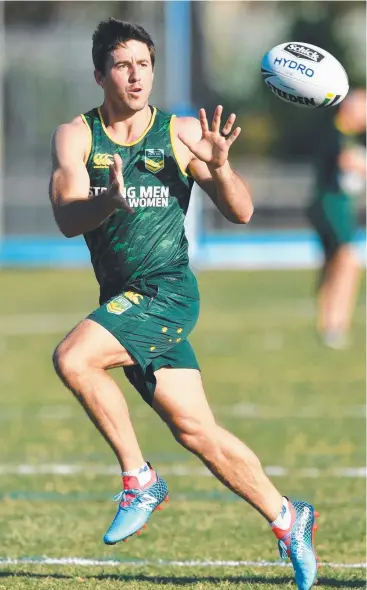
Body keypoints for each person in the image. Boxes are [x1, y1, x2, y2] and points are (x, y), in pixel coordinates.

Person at [49, 18, 318, 590]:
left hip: (167, 293)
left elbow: (240, 211)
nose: (136, 75)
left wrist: (219, 166)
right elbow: (68, 218)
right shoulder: (76, 137)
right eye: (123, 65)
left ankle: (139, 480)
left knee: (74, 358)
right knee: (197, 430)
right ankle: (288, 518)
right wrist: (107, 202)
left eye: (144, 64)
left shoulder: (180, 132)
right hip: (124, 300)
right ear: (99, 74)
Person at [307, 89, 366, 349]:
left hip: (341, 204)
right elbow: (346, 162)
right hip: (331, 203)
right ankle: (334, 324)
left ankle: (331, 323)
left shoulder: (352, 136)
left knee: (336, 263)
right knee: (347, 261)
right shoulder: (335, 132)